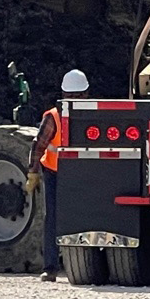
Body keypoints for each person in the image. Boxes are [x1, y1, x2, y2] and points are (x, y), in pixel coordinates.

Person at [30, 69, 89, 281]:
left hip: (81, 174)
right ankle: (51, 267)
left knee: (81, 217)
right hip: (55, 173)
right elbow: (39, 145)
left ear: (85, 95)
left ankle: (79, 264)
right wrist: (33, 172)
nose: (74, 100)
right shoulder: (53, 117)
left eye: (77, 96)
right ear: (63, 95)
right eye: (71, 96)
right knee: (52, 218)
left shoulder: (93, 114)